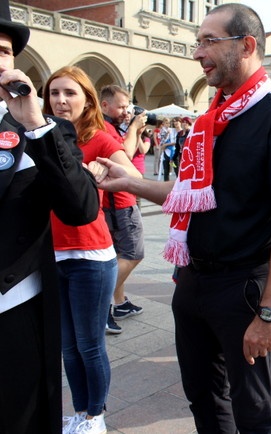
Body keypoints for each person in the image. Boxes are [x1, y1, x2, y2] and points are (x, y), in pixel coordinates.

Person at [96, 4, 271, 432]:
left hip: (244, 289)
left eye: (209, 41)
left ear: (247, 45)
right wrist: (129, 181)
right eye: (198, 42)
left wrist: (269, 313)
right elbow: (189, 196)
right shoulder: (211, 121)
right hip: (193, 282)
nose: (198, 52)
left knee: (254, 409)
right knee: (204, 397)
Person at [0, 5, 99, 431]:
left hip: (14, 303)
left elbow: (81, 208)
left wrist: (36, 127)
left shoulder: (42, 130)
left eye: (2, 51)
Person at [44, 66, 142, 434]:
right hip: (51, 255)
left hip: (89, 255)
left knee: (89, 344)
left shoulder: (98, 138)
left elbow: (131, 177)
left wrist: (98, 173)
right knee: (68, 346)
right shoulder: (42, 136)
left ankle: (95, 415)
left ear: (87, 100)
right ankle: (81, 410)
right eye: (54, 93)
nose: (60, 100)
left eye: (70, 93)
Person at [100, 85, 147, 334]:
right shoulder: (105, 128)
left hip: (118, 201)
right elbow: (126, 154)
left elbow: (137, 149)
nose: (125, 111)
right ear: (105, 105)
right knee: (133, 253)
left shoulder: (109, 126)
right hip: (120, 202)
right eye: (120, 106)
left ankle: (119, 303)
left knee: (120, 255)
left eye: (126, 106)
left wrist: (134, 129)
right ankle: (102, 305)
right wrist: (133, 127)